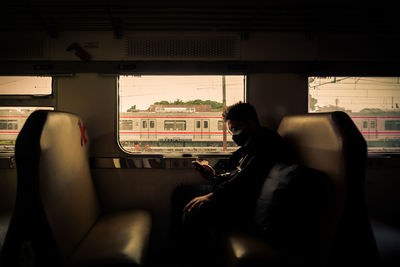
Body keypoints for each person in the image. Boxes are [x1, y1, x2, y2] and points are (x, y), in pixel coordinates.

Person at [171, 102, 292, 264]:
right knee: (181, 193)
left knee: (194, 209)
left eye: (235, 129)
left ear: (250, 124)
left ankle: (193, 258)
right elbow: (234, 169)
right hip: (236, 194)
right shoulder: (250, 143)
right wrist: (214, 175)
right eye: (230, 131)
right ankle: (179, 249)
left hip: (247, 203)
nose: (233, 135)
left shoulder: (266, 143)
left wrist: (213, 196)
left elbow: (248, 177)